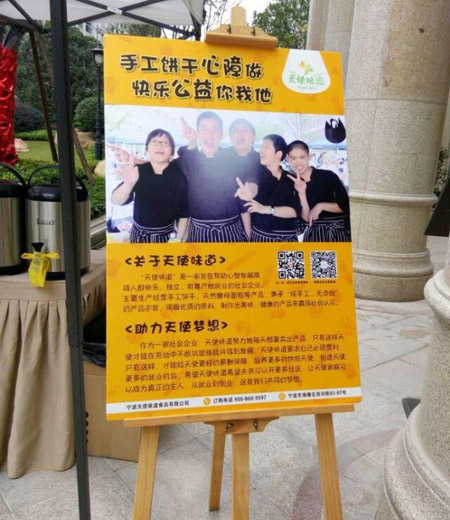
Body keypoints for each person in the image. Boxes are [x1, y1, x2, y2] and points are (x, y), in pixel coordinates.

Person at [178, 111, 257, 242]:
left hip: (231, 231)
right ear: (197, 133)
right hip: (199, 232)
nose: (209, 134)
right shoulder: (189, 160)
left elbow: (243, 202)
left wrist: (248, 235)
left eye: (214, 129)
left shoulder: (233, 159)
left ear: (221, 134)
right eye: (203, 129)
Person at [111, 129, 188, 243]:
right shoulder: (138, 171)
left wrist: (178, 240)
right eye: (154, 142)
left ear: (172, 151)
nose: (159, 145)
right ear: (147, 149)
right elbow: (116, 200)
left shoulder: (179, 176)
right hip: (138, 235)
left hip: (167, 237)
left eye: (165, 143)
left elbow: (184, 213)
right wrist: (128, 184)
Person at [287, 140, 350, 242]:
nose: (298, 162)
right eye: (293, 158)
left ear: (309, 157)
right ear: (288, 159)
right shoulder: (290, 183)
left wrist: (321, 206)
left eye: (302, 157)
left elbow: (346, 205)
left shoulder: (328, 176)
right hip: (313, 235)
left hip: (336, 232)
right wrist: (301, 193)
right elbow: (306, 219)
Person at [243, 134, 300, 242]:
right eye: (262, 147)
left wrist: (266, 209)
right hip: (261, 238)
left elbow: (296, 212)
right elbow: (252, 183)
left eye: (266, 147)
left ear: (278, 154)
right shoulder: (257, 173)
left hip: (289, 239)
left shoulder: (291, 178)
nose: (261, 151)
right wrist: (249, 191)